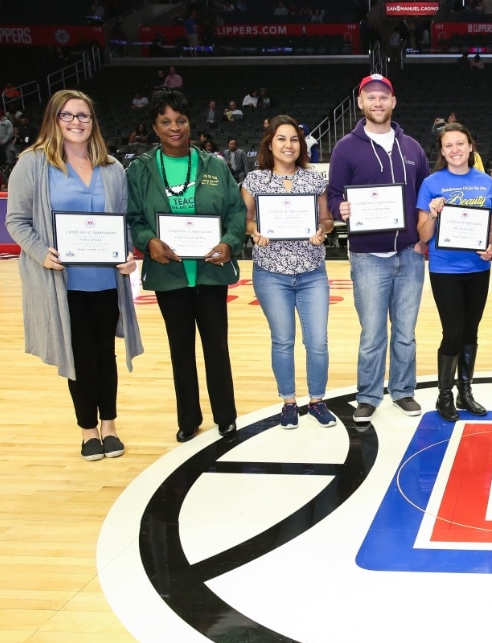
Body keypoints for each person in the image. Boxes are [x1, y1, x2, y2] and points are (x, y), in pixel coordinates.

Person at [5, 89, 142, 460]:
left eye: (83, 116)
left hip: (104, 281)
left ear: (93, 122)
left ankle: (110, 425)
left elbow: (123, 222)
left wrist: (127, 256)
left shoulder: (111, 167)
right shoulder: (32, 164)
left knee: (105, 356)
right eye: (68, 115)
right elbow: (15, 220)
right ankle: (88, 430)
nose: (76, 122)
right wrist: (38, 252)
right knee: (80, 357)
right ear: (54, 119)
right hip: (62, 283)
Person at [126, 88, 245, 442]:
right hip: (168, 275)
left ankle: (225, 415)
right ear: (155, 126)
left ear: (190, 123)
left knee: (216, 347)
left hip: (210, 273)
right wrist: (148, 241)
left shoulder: (215, 165)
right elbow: (133, 218)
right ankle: (188, 418)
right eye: (166, 121)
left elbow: (236, 213)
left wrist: (229, 242)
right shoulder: (141, 169)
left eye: (180, 120)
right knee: (181, 350)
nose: (174, 127)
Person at [327, 74, 430, 423]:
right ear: (360, 102)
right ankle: (368, 394)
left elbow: (424, 196)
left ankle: (402, 391)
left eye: (383, 97)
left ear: (393, 101)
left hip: (409, 254)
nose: (377, 103)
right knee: (372, 332)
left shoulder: (413, 148)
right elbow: (334, 194)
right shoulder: (345, 147)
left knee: (405, 331)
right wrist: (339, 207)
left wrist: (422, 236)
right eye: (370, 97)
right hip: (368, 256)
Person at [242, 114, 338, 430]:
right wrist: (256, 231)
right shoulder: (255, 181)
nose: (288, 145)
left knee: (318, 341)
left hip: (311, 270)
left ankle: (318, 400)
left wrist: (321, 231)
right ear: (270, 143)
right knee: (282, 340)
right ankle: (288, 402)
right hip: (271, 272)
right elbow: (247, 220)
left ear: (301, 144)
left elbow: (326, 220)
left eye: (294, 139)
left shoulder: (314, 179)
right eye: (281, 138)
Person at [416, 123, 492, 421]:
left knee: (471, 331)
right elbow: (424, 235)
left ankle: (466, 392)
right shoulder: (431, 183)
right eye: (448, 145)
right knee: (452, 332)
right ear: (441, 150)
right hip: (445, 268)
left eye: (460, 143)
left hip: (478, 268)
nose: (455, 149)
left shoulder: (486, 182)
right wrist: (434, 214)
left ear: (470, 146)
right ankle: (444, 395)